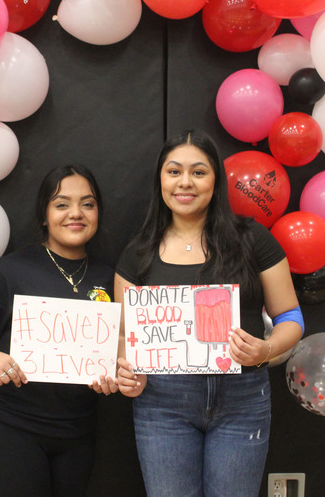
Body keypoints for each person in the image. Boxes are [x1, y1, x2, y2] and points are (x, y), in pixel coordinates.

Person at [114, 129, 304, 497]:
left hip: (243, 397)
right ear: (161, 180)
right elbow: (124, 336)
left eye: (199, 172)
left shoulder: (253, 239)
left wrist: (266, 349)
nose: (185, 182)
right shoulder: (138, 253)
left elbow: (291, 318)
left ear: (215, 180)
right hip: (161, 403)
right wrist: (127, 371)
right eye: (174, 171)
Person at [0, 164, 117, 497]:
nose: (76, 213)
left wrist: (116, 373)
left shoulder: (110, 277)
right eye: (62, 204)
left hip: (78, 432)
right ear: (44, 215)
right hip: (10, 427)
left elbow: (119, 348)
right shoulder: (9, 270)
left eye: (87, 204)